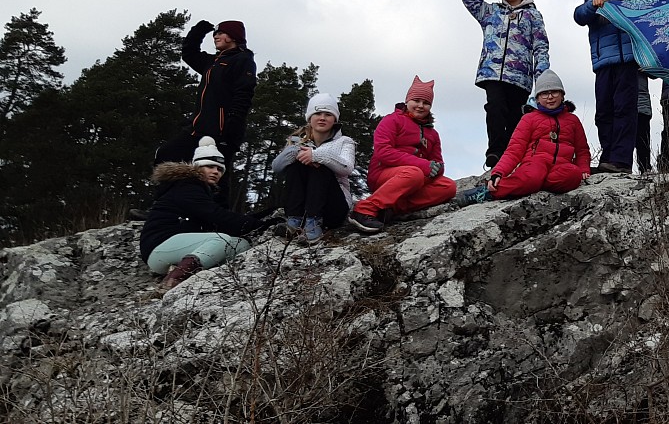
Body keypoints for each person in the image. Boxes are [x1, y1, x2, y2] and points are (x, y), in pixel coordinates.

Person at [140, 137, 278, 291]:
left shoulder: (204, 192)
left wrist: (261, 218)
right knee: (221, 240)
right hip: (158, 246)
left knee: (240, 245)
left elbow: (220, 218)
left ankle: (186, 269)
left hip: (178, 247)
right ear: (197, 168)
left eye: (219, 169)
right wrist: (260, 225)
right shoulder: (187, 186)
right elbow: (217, 215)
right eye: (210, 166)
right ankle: (174, 280)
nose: (215, 172)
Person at [155, 19, 257, 203]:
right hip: (197, 128)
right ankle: (163, 207)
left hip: (222, 131)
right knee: (166, 155)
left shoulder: (243, 60)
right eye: (215, 33)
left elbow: (243, 96)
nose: (215, 36)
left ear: (233, 37)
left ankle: (217, 217)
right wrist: (199, 31)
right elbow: (189, 53)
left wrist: (230, 129)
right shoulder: (212, 62)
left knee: (217, 174)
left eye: (221, 33)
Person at [455, 70, 591, 204]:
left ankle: (530, 186)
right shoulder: (529, 118)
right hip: (535, 163)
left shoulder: (572, 120)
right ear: (537, 98)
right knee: (533, 176)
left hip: (561, 165)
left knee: (573, 175)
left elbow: (582, 149)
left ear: (562, 95)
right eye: (544, 94)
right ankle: (488, 192)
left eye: (554, 92)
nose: (550, 97)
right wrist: (498, 172)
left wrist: (584, 168)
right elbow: (514, 150)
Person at [462, 0, 551, 168]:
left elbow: (540, 47)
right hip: (492, 73)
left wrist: (542, 78)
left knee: (515, 117)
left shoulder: (533, 15)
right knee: (495, 108)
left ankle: (511, 156)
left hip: (520, 77)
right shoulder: (490, 12)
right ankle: (494, 152)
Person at [347, 76, 456, 233]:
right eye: (416, 100)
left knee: (448, 186)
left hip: (416, 178)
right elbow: (384, 152)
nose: (421, 106)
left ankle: (391, 209)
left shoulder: (433, 134)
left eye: (426, 103)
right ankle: (364, 209)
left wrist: (437, 169)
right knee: (414, 174)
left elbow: (438, 162)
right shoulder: (391, 120)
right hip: (384, 175)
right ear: (407, 101)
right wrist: (423, 165)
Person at [573, 0, 645, 174]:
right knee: (604, 111)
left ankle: (621, 160)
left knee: (625, 109)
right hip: (604, 62)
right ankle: (608, 156)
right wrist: (592, 4)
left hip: (629, 62)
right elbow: (579, 16)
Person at [270, 93, 358, 243]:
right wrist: (297, 150)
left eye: (328, 114)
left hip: (333, 208)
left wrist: (316, 155)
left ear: (335, 119)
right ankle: (294, 221)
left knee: (320, 167)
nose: (322, 118)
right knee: (296, 165)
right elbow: (277, 167)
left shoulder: (345, 141)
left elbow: (347, 167)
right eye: (317, 113)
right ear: (310, 117)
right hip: (303, 205)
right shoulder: (297, 141)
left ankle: (314, 223)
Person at [636, 74, 653, 174]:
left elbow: (654, 73)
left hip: (642, 105)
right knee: (625, 139)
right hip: (626, 106)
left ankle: (645, 167)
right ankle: (624, 165)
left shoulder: (643, 63)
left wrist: (645, 67)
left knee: (643, 139)